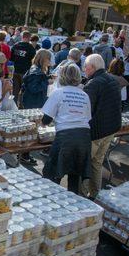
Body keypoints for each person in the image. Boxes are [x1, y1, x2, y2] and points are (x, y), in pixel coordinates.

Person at [41, 64, 92, 194]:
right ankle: (72, 204)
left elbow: (45, 120)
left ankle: (53, 202)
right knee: (75, 175)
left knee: (53, 174)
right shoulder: (84, 95)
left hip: (65, 137)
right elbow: (87, 118)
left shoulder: (58, 93)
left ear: (62, 76)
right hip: (84, 137)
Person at [82, 54, 122, 199]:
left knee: (85, 164)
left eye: (85, 66)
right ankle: (95, 194)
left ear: (92, 67)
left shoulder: (93, 84)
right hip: (110, 128)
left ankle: (81, 195)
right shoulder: (112, 79)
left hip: (97, 131)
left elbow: (85, 110)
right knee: (97, 162)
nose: (84, 69)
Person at [11, 31, 37, 106]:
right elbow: (34, 60)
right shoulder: (31, 48)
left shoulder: (15, 46)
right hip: (25, 72)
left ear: (22, 37)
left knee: (15, 91)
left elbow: (11, 58)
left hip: (15, 71)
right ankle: (21, 106)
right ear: (29, 38)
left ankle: (13, 106)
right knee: (24, 90)